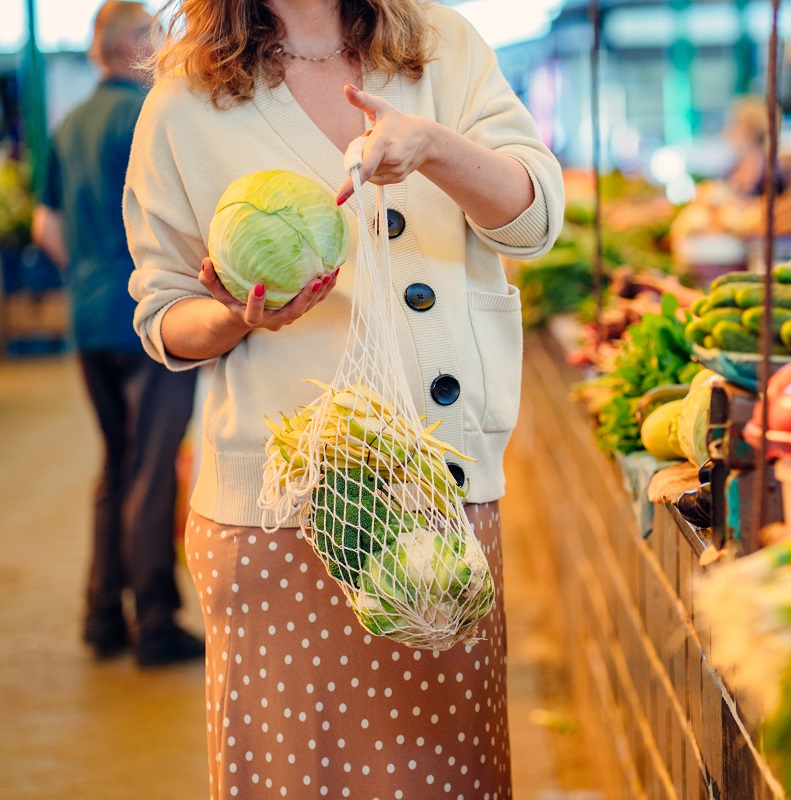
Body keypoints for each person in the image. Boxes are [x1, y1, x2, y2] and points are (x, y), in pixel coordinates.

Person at [124, 0, 563, 796]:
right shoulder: (184, 100)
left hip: (437, 497)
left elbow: (533, 221)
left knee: (443, 776)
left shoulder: (442, 48)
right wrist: (233, 315)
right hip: (282, 513)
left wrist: (432, 147)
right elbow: (161, 315)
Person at [32, 1, 201, 667]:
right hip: (145, 320)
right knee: (155, 470)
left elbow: (47, 228)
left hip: (87, 316)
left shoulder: (68, 125)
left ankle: (102, 614)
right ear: (134, 44)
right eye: (155, 37)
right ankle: (155, 623)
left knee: (116, 464)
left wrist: (91, 276)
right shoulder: (147, 116)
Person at [724, 95, 790, 197]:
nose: (730, 131)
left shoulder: (773, 172)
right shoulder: (733, 167)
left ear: (751, 132)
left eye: (736, 125)